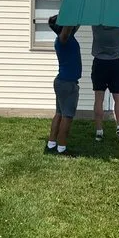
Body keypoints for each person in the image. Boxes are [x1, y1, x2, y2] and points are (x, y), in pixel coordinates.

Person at [46, 15, 81, 155]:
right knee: (67, 116)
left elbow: (76, 22)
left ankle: (51, 144)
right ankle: (62, 148)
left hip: (62, 82)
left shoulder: (67, 37)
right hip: (67, 84)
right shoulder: (63, 39)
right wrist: (69, 13)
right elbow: (69, 26)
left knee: (59, 114)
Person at [91, 25, 119, 144]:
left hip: (99, 62)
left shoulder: (96, 24)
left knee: (99, 99)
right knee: (118, 98)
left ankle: (99, 131)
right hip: (116, 63)